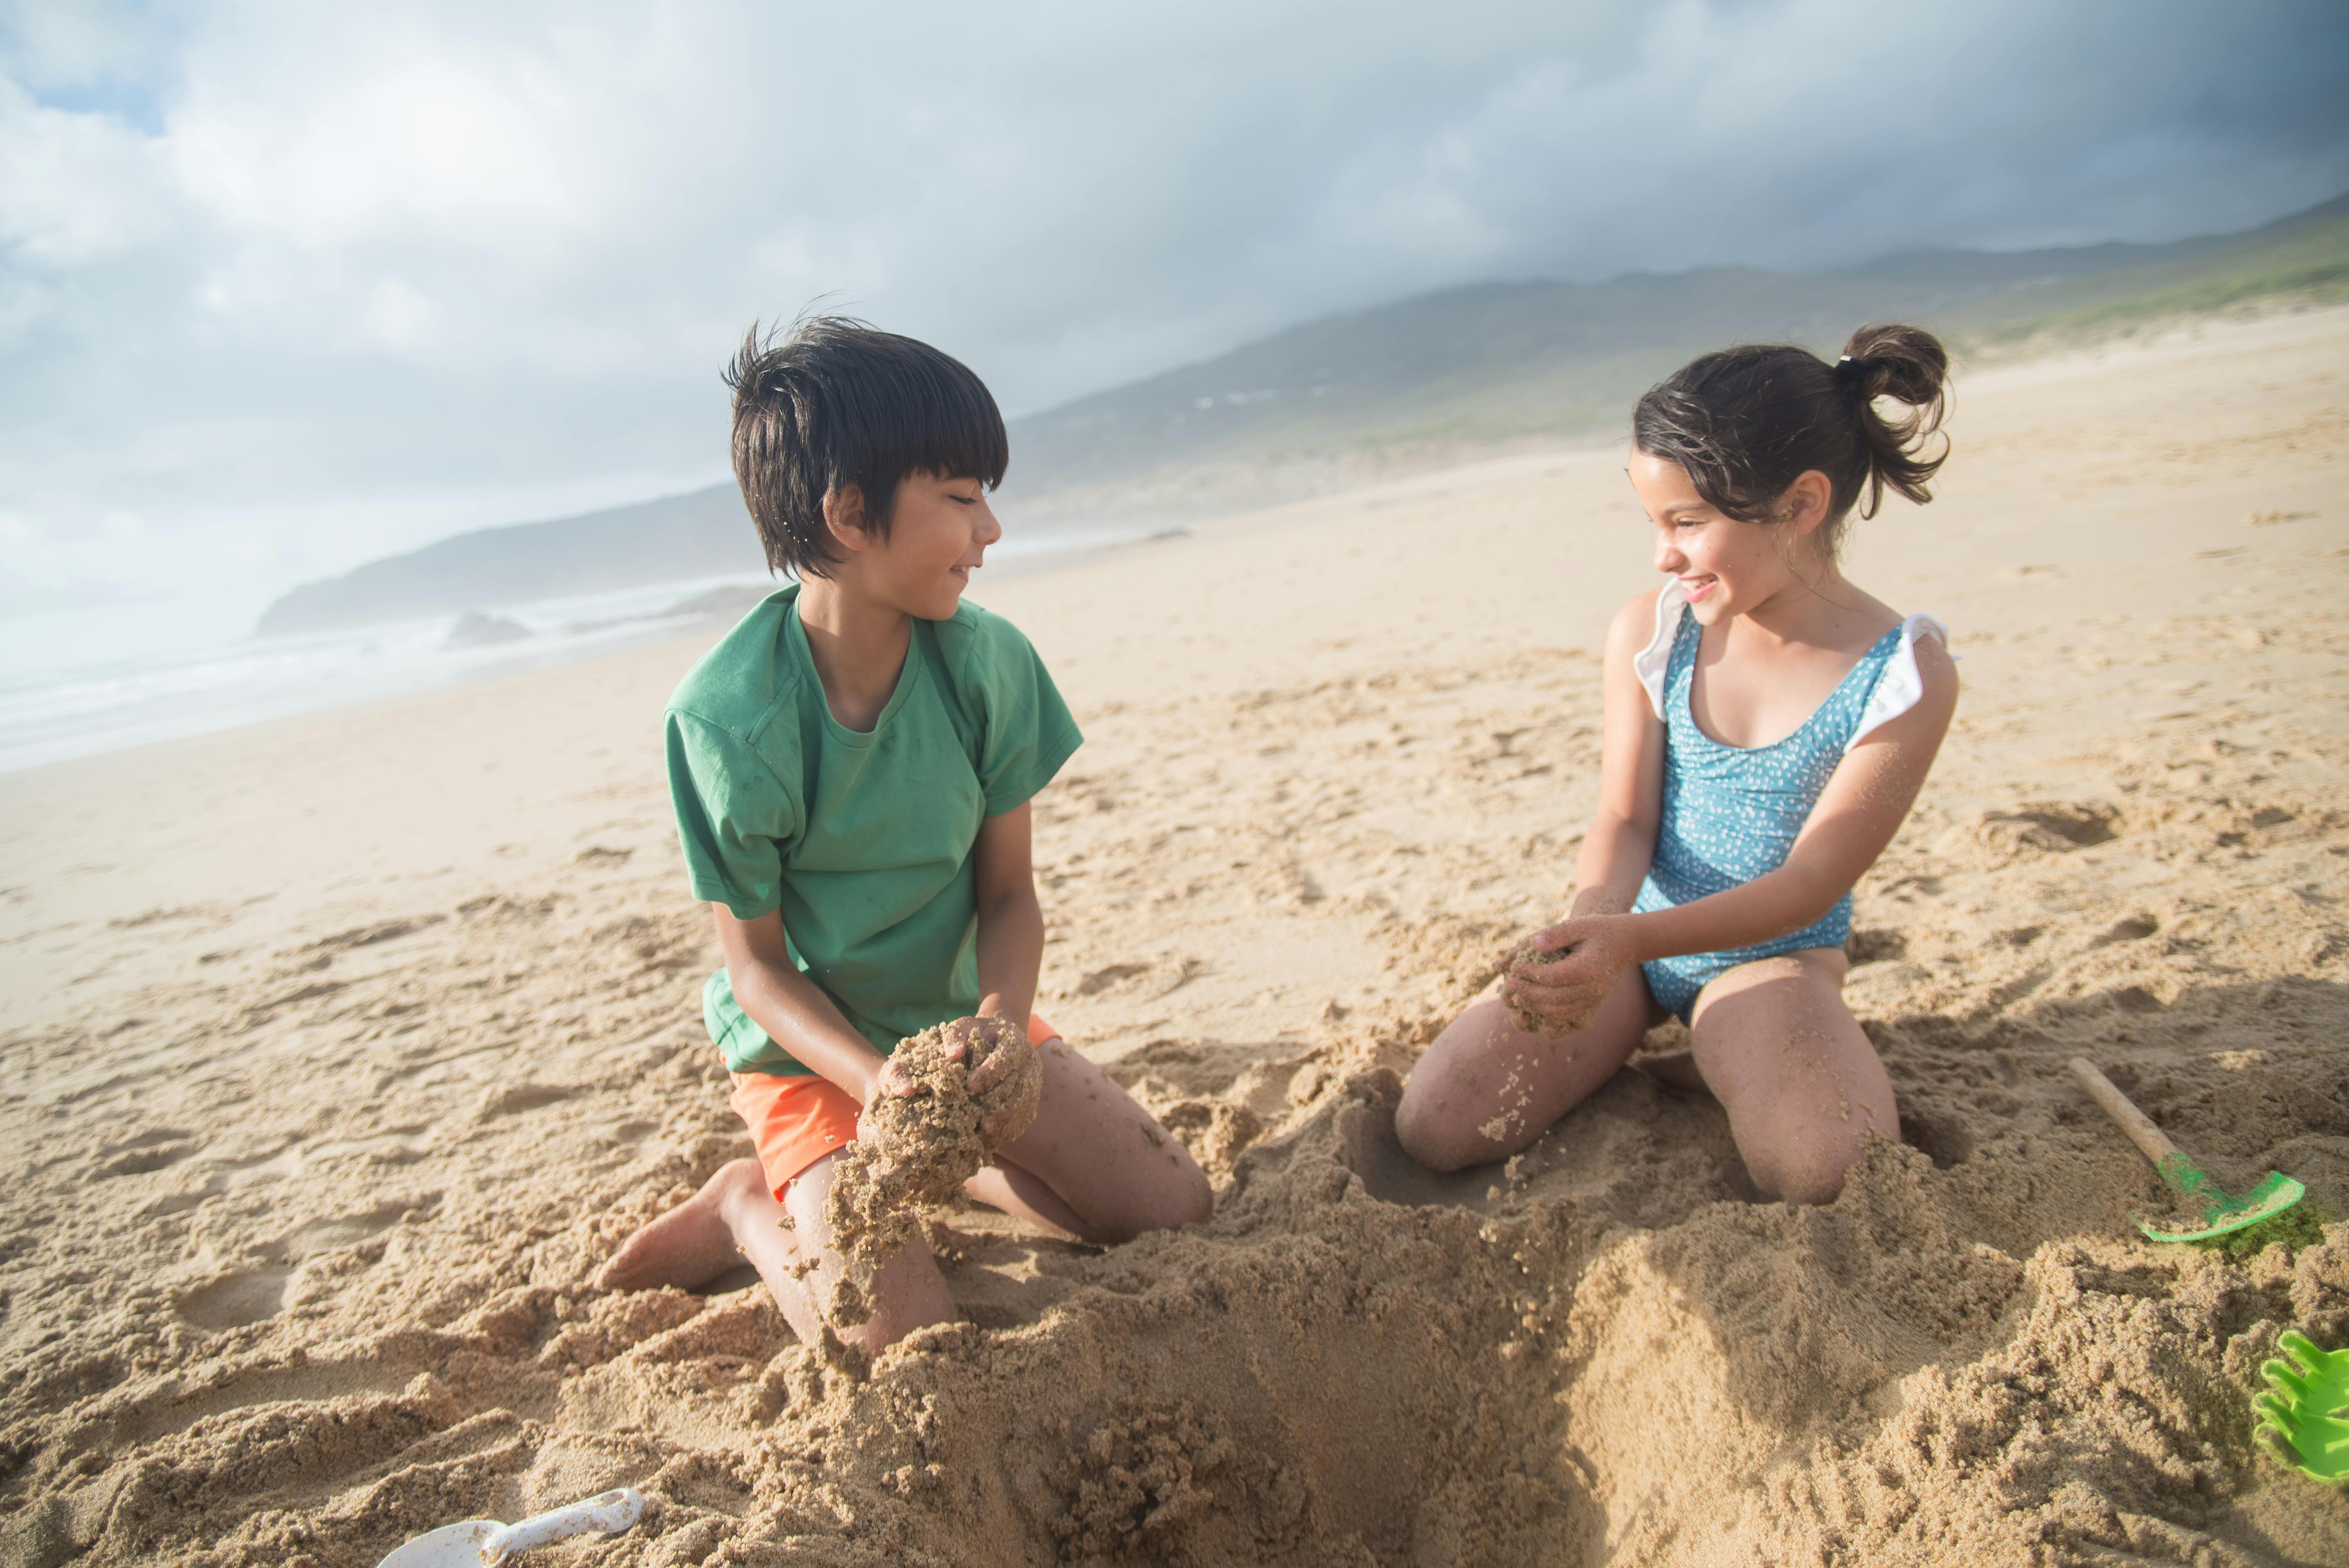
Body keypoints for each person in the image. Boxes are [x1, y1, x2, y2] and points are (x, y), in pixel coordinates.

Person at [599, 317, 1210, 1352]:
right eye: (963, 499)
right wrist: (872, 1082)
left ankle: (958, 1155)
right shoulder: (726, 722)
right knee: (897, 1339)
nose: (993, 532)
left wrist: (1000, 1031)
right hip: (812, 1056)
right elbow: (753, 972)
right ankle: (750, 1205)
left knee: (1170, 1209)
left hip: (956, 1029)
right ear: (848, 516)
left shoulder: (986, 667)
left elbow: (1008, 895)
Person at [1395, 324, 1960, 1205]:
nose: (1662, 554)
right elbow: (1623, 819)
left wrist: (1632, 940)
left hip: (1770, 958)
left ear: (1802, 504)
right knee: (1432, 1124)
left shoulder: (1901, 675)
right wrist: (1591, 928)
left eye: (1687, 523)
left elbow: (1811, 881)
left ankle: (1723, 1042)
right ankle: (1663, 1044)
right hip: (1631, 940)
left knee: (1828, 1173)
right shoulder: (1655, 631)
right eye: (1652, 521)